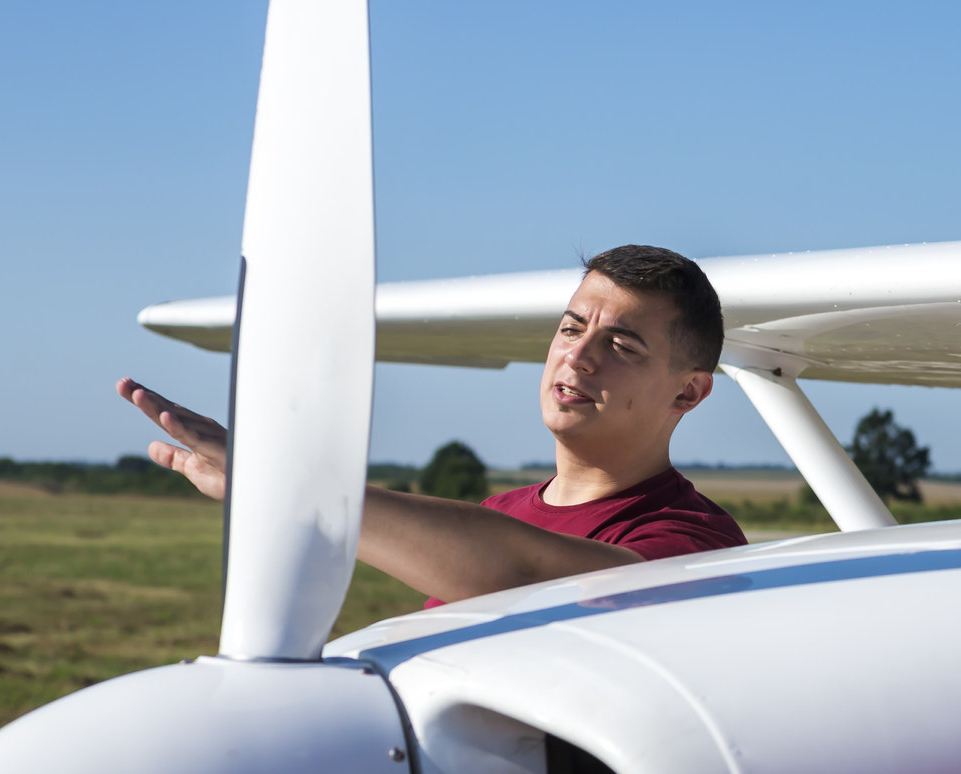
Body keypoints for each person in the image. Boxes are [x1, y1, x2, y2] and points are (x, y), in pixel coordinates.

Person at [118, 244, 746, 605]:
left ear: (689, 392)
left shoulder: (695, 543)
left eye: (623, 346)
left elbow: (525, 580)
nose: (578, 356)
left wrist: (293, 489)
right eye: (572, 327)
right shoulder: (501, 509)